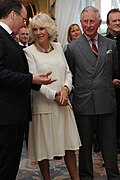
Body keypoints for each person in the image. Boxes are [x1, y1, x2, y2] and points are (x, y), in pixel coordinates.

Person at [0, 1, 56, 180]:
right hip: (6, 114)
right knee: (5, 164)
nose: (24, 24)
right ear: (13, 15)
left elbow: (16, 73)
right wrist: (31, 79)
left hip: (13, 113)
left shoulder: (7, 37)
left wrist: (36, 81)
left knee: (10, 163)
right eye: (23, 19)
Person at [65, 6, 120, 180]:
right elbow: (71, 74)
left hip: (106, 102)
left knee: (110, 145)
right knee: (85, 146)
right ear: (81, 22)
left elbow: (113, 70)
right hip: (84, 103)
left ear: (99, 22)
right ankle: (86, 177)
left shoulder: (111, 44)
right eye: (85, 21)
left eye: (92, 21)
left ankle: (114, 176)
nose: (88, 25)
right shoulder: (72, 48)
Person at [24, 13, 81, 180]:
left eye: (42, 28)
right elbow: (34, 80)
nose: (38, 32)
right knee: (43, 149)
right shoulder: (28, 52)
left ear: (49, 30)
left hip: (63, 104)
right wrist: (54, 94)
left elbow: (68, 72)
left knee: (68, 145)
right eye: (35, 29)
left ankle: (75, 178)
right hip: (43, 106)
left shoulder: (58, 46)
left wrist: (65, 89)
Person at [106, 8, 120, 153]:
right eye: (114, 21)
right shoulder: (103, 42)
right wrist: (110, 81)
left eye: (119, 20)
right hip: (108, 88)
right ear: (108, 24)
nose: (117, 23)